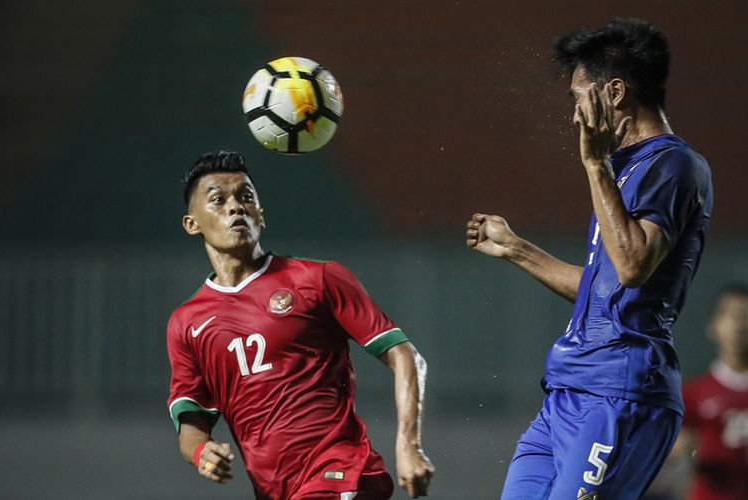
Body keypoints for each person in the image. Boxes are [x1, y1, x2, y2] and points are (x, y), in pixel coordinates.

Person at [465, 18, 713, 499]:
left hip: (621, 393)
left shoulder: (673, 164)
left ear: (614, 92)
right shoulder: (624, 170)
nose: (576, 115)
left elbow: (634, 265)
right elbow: (608, 289)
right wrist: (516, 248)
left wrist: (595, 165)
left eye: (579, 97)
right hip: (566, 392)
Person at [166, 151, 434, 499]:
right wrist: (202, 453)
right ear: (192, 223)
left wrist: (408, 445)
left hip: (340, 472)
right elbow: (191, 422)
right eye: (218, 200)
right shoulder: (188, 322)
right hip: (276, 490)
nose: (236, 207)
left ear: (261, 214)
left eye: (246, 197)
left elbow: (404, 355)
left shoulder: (317, 279)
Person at [668, 284, 748, 500]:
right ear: (714, 326)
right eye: (731, 315)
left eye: (745, 315)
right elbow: (673, 450)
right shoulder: (695, 392)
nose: (739, 325)